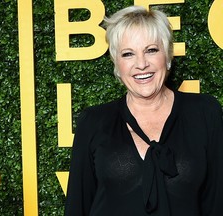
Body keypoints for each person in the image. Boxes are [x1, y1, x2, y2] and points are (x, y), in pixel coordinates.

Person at [64, 5, 223, 216]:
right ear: (117, 65)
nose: (141, 64)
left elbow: (217, 202)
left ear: (167, 56)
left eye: (151, 50)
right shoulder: (93, 121)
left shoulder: (205, 113)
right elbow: (78, 205)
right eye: (128, 54)